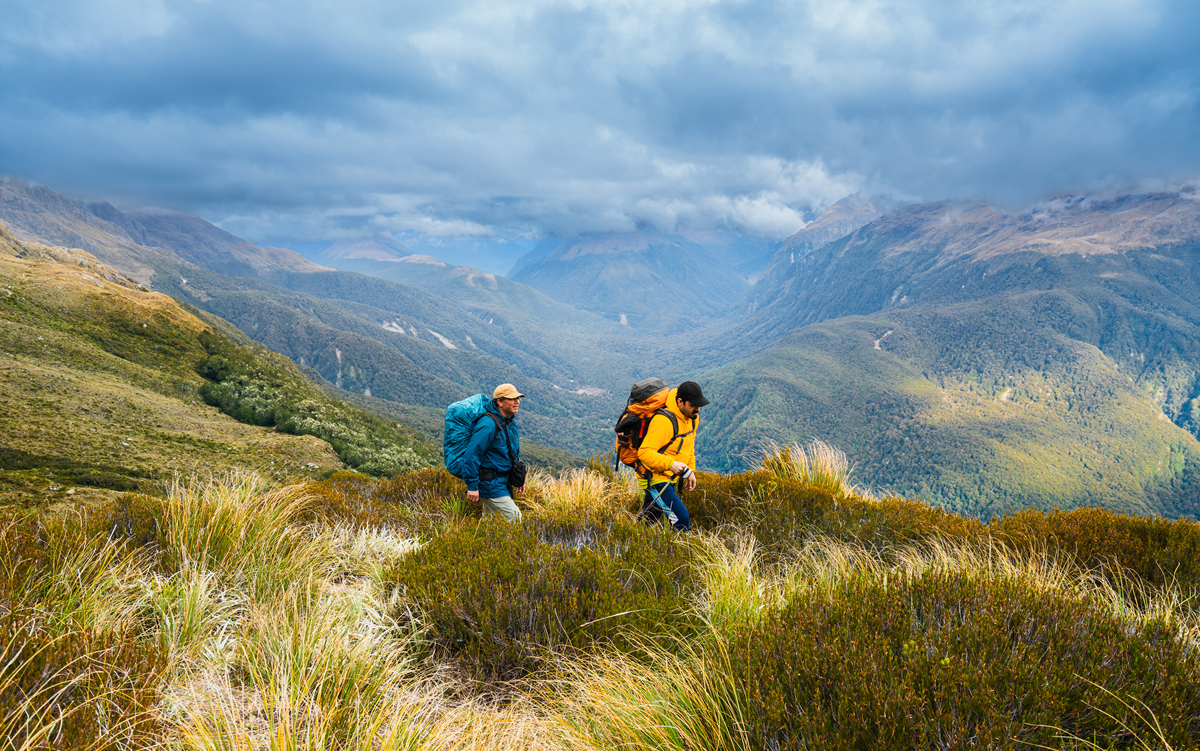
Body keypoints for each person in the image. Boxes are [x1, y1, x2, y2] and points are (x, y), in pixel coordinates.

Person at [636, 381, 708, 532]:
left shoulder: (692, 418)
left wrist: (690, 471)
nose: (698, 409)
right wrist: (671, 464)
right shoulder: (663, 422)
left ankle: (626, 540)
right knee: (681, 517)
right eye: (693, 405)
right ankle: (681, 553)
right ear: (680, 402)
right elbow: (644, 452)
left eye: (699, 405)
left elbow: (689, 446)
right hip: (654, 477)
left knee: (650, 517)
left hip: (669, 475)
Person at [462, 383, 525, 522]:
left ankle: (482, 543)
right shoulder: (488, 424)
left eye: (518, 398)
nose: (517, 402)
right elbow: (472, 454)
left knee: (490, 523)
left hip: (502, 482)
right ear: (499, 402)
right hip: (490, 484)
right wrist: (472, 486)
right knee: (515, 518)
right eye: (512, 399)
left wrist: (520, 477)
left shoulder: (510, 423)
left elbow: (513, 453)